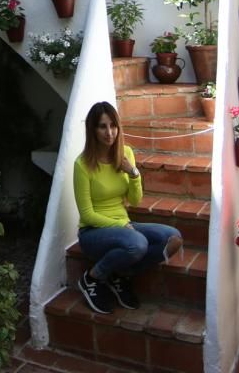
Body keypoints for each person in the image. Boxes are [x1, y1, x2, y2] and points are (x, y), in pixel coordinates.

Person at [73, 101, 182, 314]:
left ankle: (119, 275)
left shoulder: (126, 154)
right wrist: (121, 224)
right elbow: (87, 214)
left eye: (113, 126)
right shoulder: (82, 164)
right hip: (92, 232)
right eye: (102, 126)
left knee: (173, 238)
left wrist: (133, 173)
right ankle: (93, 277)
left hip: (123, 227)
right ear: (92, 130)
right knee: (137, 244)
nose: (109, 132)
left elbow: (135, 200)